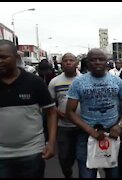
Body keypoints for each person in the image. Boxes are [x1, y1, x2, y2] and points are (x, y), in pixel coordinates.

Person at [66, 48, 122, 178]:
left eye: (101, 59)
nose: (97, 62)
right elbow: (70, 112)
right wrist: (91, 131)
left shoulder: (116, 81)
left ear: (106, 62)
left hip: (112, 134)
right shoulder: (78, 83)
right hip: (87, 136)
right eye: (93, 60)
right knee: (87, 174)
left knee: (114, 174)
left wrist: (120, 125)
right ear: (88, 63)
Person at [0, 40, 57, 178]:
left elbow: (51, 113)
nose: (0, 61)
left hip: (32, 152)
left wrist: (51, 143)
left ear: (17, 58)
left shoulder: (34, 82)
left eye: (4, 57)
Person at [48, 53, 81, 178]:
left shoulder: (84, 80)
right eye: (65, 61)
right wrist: (58, 112)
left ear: (76, 63)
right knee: (64, 157)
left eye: (71, 60)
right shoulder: (54, 82)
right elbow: (49, 104)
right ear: (61, 64)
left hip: (82, 126)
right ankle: (68, 174)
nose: (68, 63)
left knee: (83, 157)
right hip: (63, 126)